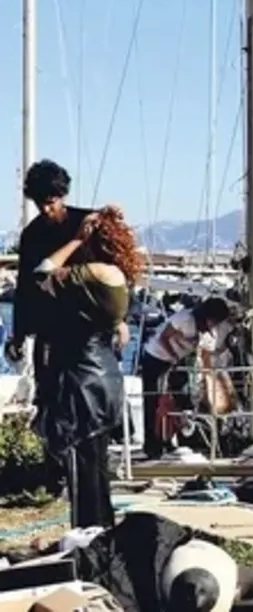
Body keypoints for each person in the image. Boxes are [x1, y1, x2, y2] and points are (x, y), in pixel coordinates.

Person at [33, 205, 143, 529]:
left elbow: (42, 271)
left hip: (83, 381)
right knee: (98, 470)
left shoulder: (93, 272)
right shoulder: (119, 277)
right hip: (106, 377)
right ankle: (103, 535)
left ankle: (86, 539)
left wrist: (75, 242)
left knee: (81, 473)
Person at [5, 160, 88, 376]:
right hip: (49, 325)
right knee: (47, 395)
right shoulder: (32, 234)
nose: (45, 209)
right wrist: (19, 334)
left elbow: (116, 273)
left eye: (51, 202)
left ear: (63, 196)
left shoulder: (86, 222)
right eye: (39, 203)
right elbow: (24, 286)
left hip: (87, 325)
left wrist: (119, 320)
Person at [138, 296, 231, 459]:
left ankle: (178, 441)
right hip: (157, 357)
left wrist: (208, 378)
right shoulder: (185, 319)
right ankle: (153, 444)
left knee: (182, 400)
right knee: (155, 401)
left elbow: (206, 356)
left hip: (179, 361)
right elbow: (164, 337)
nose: (214, 324)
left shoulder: (210, 333)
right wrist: (173, 357)